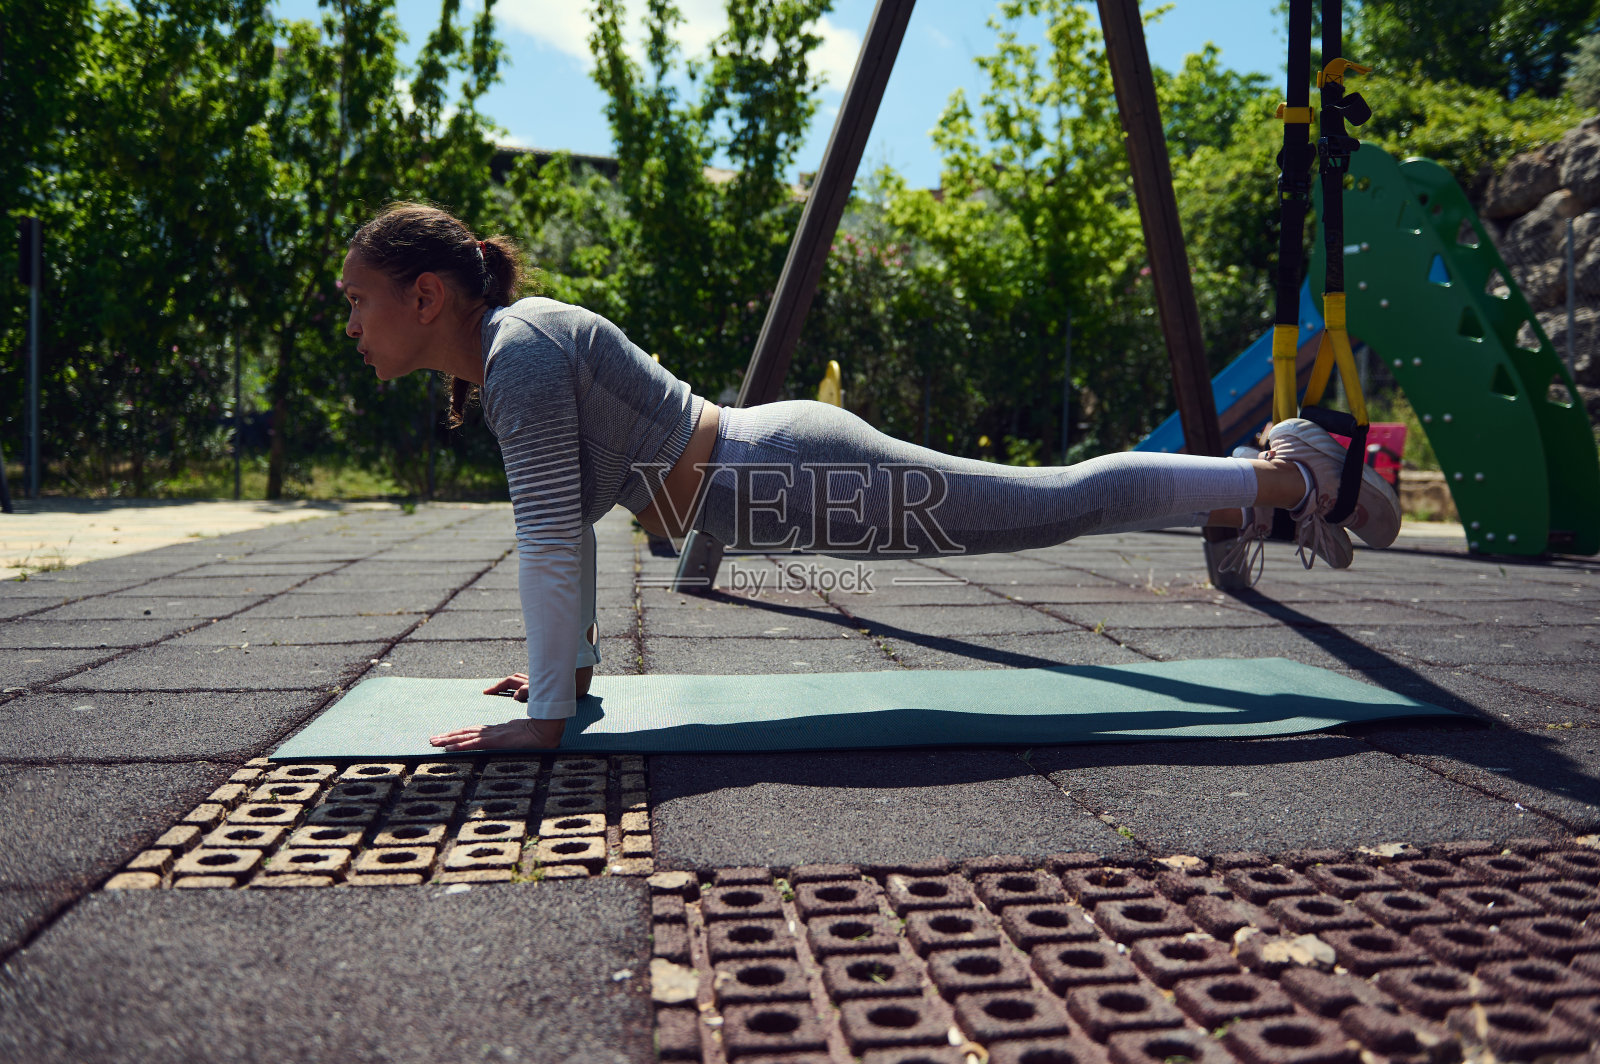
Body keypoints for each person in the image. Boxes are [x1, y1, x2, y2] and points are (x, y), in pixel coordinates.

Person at [339, 202, 1400, 753]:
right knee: (1052, 505)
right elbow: (569, 520)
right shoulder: (515, 354)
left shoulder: (519, 356)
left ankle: (1292, 471)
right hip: (778, 471)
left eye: (358, 302)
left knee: (1056, 503)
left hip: (795, 476)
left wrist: (549, 716)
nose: (351, 328)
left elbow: (548, 539)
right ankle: (1278, 479)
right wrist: (560, 674)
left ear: (425, 293)